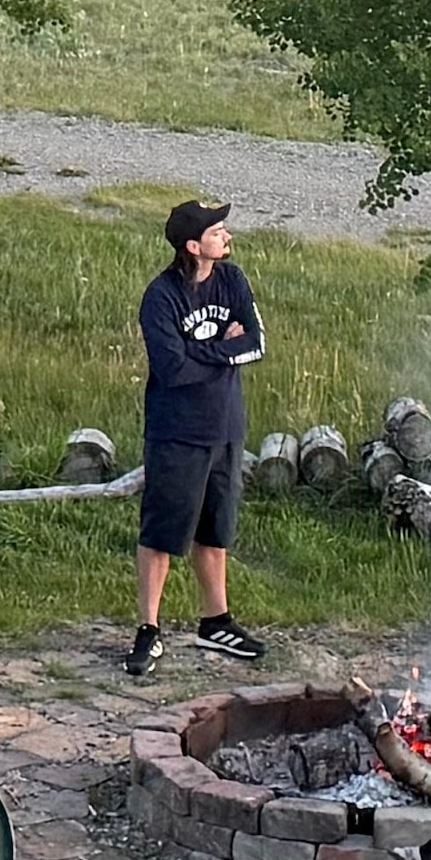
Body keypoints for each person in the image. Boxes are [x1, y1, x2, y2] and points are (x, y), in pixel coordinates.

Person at [126, 197, 268, 679]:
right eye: (216, 232)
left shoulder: (233, 280)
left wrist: (203, 351)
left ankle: (216, 620)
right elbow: (170, 368)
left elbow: (256, 342)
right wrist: (221, 348)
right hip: (176, 431)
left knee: (216, 529)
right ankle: (149, 628)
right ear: (193, 245)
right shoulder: (161, 296)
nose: (226, 236)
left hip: (226, 426)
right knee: (164, 533)